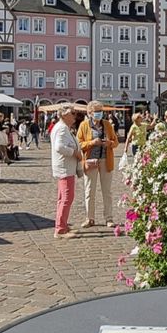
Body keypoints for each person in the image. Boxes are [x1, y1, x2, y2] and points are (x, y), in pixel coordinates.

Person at [76, 100, 117, 228]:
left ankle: (109, 218)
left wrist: (109, 143)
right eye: (97, 111)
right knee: (89, 191)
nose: (99, 114)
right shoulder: (83, 125)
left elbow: (115, 142)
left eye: (101, 111)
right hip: (90, 161)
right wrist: (92, 143)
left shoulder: (107, 125)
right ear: (90, 113)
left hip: (106, 160)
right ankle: (90, 218)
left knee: (107, 191)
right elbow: (79, 144)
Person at [50, 105, 82, 239]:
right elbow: (59, 147)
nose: (74, 116)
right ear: (64, 115)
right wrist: (74, 152)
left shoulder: (62, 127)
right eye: (72, 114)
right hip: (65, 168)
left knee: (62, 198)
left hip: (64, 167)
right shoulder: (62, 128)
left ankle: (61, 224)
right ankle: (61, 229)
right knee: (67, 198)